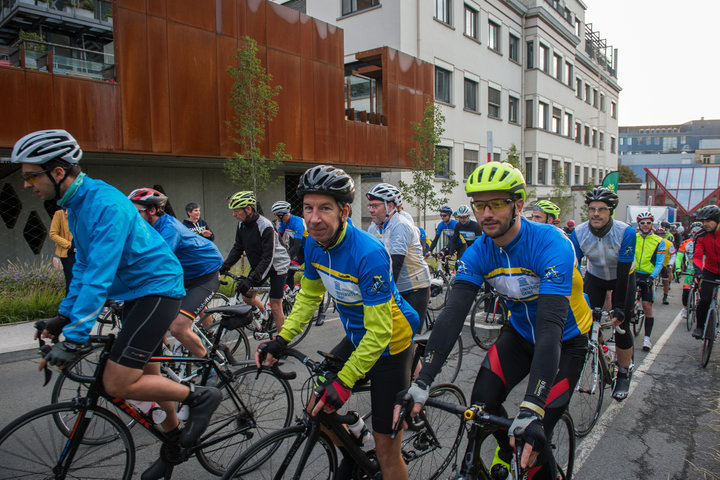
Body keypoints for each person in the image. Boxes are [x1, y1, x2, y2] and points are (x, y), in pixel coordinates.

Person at [12, 129, 221, 477]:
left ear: (58, 172)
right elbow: (81, 267)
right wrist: (63, 318)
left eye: (31, 175)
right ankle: (172, 439)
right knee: (148, 371)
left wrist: (77, 337)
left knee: (117, 382)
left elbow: (99, 273)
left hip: (158, 289)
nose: (26, 184)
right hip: (137, 292)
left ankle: (200, 397)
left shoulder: (104, 203)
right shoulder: (76, 205)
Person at [399, 161, 591, 479]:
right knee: (481, 407)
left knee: (534, 437)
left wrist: (531, 406)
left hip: (565, 341)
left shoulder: (551, 243)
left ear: (517, 205)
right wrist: (422, 381)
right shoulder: (478, 253)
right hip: (518, 336)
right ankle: (505, 447)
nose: (486, 214)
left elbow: (549, 329)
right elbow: (451, 316)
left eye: (497, 203)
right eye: (479, 205)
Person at [255, 165, 420, 480]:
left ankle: (374, 449)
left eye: (325, 208)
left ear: (344, 211)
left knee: (387, 452)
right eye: (308, 208)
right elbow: (308, 298)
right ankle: (358, 446)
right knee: (315, 407)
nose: (314, 218)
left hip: (390, 343)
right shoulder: (313, 244)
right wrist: (281, 339)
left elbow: (380, 332)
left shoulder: (368, 254)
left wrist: (344, 382)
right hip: (359, 336)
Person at [128, 188, 224, 358]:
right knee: (153, 315)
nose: (133, 217)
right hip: (183, 276)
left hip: (205, 276)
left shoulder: (169, 229)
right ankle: (165, 355)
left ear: (151, 210)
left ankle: (211, 364)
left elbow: (155, 263)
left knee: (178, 327)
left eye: (136, 212)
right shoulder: (148, 227)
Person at [569, 187, 636, 400]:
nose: (595, 213)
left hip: (622, 277)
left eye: (601, 209)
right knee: (585, 323)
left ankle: (624, 373)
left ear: (610, 212)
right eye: (591, 209)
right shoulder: (578, 233)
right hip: (595, 277)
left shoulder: (626, 232)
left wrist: (619, 307)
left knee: (621, 325)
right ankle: (597, 351)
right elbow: (574, 268)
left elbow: (623, 273)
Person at [221, 191, 290, 333]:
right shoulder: (242, 224)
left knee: (276, 305)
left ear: (248, 209)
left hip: (277, 265)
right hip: (261, 264)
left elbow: (268, 257)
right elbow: (237, 248)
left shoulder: (265, 225)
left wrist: (251, 279)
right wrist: (224, 266)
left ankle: (282, 343)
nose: (233, 214)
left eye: (236, 211)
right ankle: (265, 313)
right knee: (247, 297)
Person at [367, 183, 431, 331]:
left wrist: (380, 295)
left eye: (375, 206)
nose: (370, 210)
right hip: (397, 287)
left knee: (408, 336)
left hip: (414, 288)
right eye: (370, 206)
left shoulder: (400, 225)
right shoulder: (374, 227)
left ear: (390, 206)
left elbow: (395, 264)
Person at [634, 212, 666, 351]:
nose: (645, 225)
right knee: (625, 303)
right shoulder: (633, 237)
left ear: (652, 224)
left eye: (648, 223)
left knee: (647, 306)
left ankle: (647, 338)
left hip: (648, 275)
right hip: (633, 273)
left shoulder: (659, 241)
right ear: (638, 224)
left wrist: (652, 277)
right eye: (642, 223)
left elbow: (659, 263)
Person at [692, 205, 720, 339]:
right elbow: (697, 256)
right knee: (704, 300)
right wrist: (698, 272)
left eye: (708, 221)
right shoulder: (700, 235)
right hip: (710, 270)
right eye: (703, 222)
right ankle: (700, 326)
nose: (705, 224)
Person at [271, 200, 307, 290]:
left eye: (275, 214)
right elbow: (278, 239)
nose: (274, 216)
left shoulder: (297, 223)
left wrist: (286, 256)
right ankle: (290, 296)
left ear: (281, 214)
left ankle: (320, 303)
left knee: (311, 275)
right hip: (301, 249)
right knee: (289, 272)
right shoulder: (283, 222)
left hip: (312, 249)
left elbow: (296, 245)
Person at [675, 222, 703, 319]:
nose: (696, 234)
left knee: (704, 292)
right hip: (691, 269)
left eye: (699, 232)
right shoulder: (686, 243)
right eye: (694, 232)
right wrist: (678, 268)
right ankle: (686, 308)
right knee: (686, 290)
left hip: (703, 270)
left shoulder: (705, 242)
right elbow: (679, 257)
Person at [49, 207, 75, 294]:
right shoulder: (60, 214)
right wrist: (69, 245)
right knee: (71, 280)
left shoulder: (83, 213)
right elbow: (53, 234)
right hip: (68, 253)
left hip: (82, 252)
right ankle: (70, 304)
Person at [655, 226, 676, 305]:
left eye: (661, 234)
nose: (659, 236)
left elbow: (673, 255)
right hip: (654, 264)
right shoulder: (653, 242)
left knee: (665, 281)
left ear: (664, 235)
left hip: (664, 264)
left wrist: (670, 264)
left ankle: (665, 296)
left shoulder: (669, 243)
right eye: (658, 234)